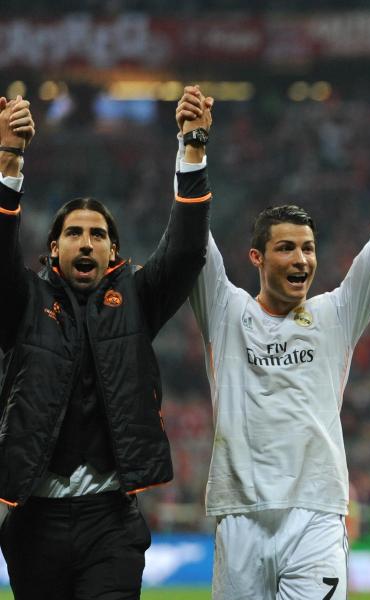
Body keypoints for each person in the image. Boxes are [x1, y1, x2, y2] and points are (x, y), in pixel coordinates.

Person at [184, 86, 370, 599]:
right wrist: (192, 147)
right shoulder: (226, 311)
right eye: (286, 248)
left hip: (315, 515)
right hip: (239, 515)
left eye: (308, 248)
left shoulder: (335, 313)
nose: (302, 260)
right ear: (256, 258)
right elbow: (192, 238)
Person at [0, 86, 212, 600]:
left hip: (111, 521)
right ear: (53, 249)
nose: (87, 242)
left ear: (114, 250)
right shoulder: (22, 301)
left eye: (98, 234)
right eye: (74, 233)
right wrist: (8, 161)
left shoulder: (138, 297)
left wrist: (194, 149)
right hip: (34, 520)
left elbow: (185, 252)